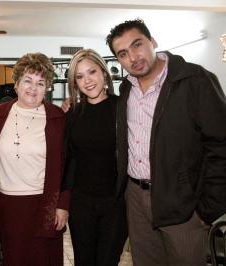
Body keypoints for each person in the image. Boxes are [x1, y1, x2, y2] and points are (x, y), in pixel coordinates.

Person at [105, 18, 226, 266]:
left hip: (181, 201)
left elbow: (221, 144)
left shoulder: (195, 80)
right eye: (123, 53)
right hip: (136, 197)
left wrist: (208, 208)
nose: (133, 57)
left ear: (153, 42)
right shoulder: (126, 89)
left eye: (138, 44)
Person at [0, 52, 70, 266]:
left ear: (47, 87)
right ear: (16, 84)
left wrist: (63, 204)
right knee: (12, 259)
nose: (33, 88)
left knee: (43, 259)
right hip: (8, 205)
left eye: (40, 83)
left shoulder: (57, 118)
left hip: (44, 204)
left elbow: (67, 164)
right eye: (27, 80)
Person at [63, 48, 127, 266]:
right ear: (75, 82)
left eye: (92, 72)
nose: (87, 81)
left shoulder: (122, 108)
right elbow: (68, 159)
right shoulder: (72, 114)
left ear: (103, 72)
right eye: (80, 77)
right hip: (81, 205)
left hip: (116, 204)